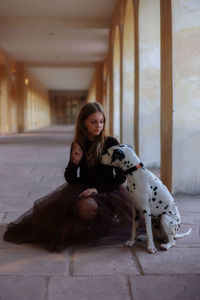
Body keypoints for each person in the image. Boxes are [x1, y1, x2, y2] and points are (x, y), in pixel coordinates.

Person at [3, 102, 133, 251]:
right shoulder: (78, 144)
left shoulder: (111, 142)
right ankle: (85, 223)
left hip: (107, 192)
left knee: (86, 209)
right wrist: (74, 162)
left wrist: (97, 189)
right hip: (83, 190)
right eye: (93, 122)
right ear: (83, 123)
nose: (99, 126)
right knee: (64, 235)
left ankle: (99, 220)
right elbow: (71, 179)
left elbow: (121, 177)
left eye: (101, 121)